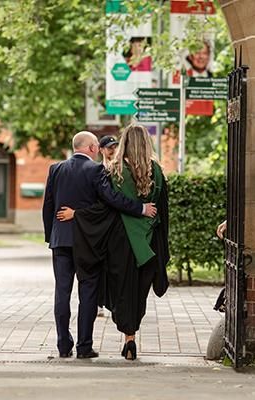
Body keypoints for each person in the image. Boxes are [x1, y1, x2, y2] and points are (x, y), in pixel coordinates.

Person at [56, 124, 170, 361]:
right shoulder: (156, 171)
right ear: (147, 144)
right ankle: (130, 338)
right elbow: (163, 211)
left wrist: (78, 214)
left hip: (119, 240)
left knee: (121, 290)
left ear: (125, 142)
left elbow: (105, 206)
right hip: (147, 243)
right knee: (138, 291)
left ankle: (123, 332)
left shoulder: (113, 171)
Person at [96, 135, 119, 318]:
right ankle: (99, 302)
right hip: (100, 223)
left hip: (116, 222)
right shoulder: (97, 169)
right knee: (99, 264)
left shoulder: (120, 169)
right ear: (101, 149)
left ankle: (113, 302)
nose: (113, 150)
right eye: (109, 147)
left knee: (114, 264)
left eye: (115, 147)